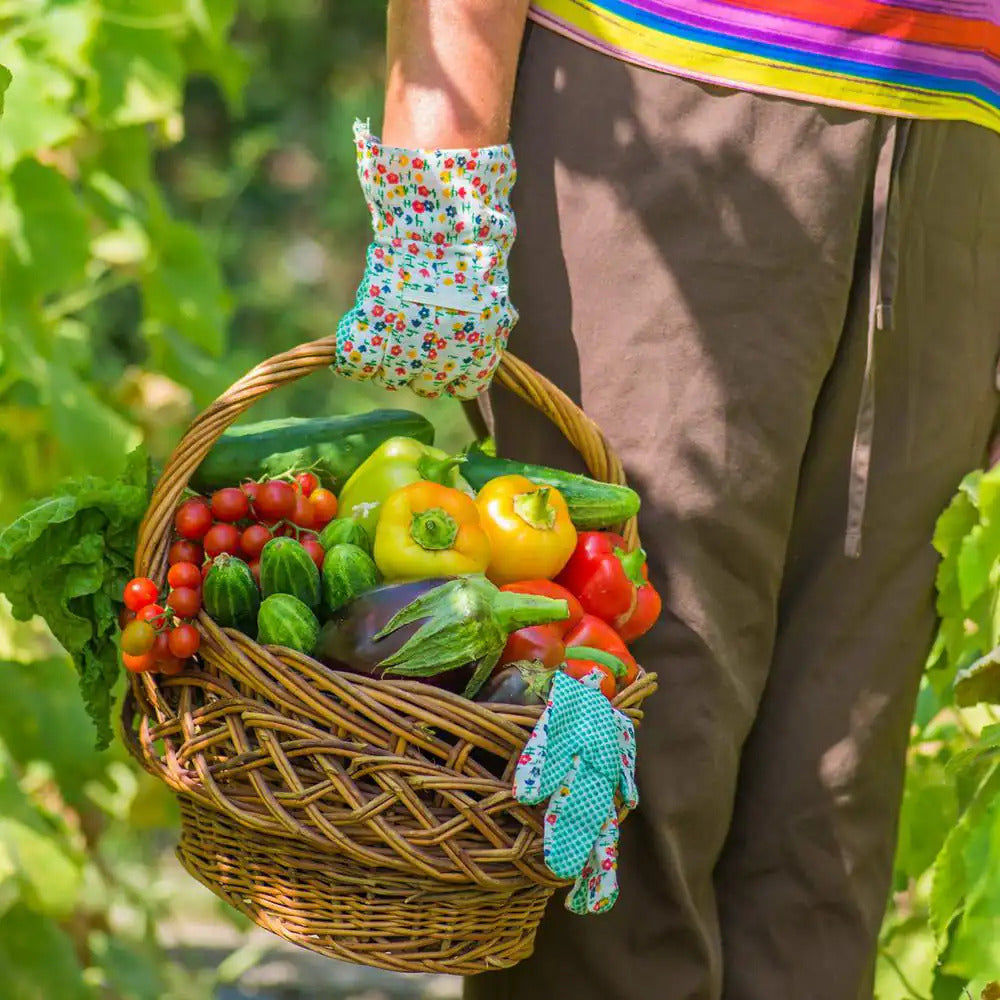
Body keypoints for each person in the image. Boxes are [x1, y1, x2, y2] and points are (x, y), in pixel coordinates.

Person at [334, 3, 1000, 998]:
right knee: (619, 748)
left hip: (961, 136)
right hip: (664, 80)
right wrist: (441, 162)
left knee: (832, 805)